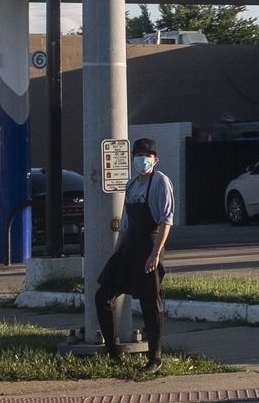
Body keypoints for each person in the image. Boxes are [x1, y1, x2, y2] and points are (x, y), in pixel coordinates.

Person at [95, 137, 174, 373]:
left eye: (147, 156)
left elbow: (166, 220)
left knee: (151, 303)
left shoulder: (161, 182)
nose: (142, 160)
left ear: (156, 160)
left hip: (150, 244)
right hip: (129, 247)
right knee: (102, 296)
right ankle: (113, 351)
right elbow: (125, 224)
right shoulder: (131, 185)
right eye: (138, 156)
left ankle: (155, 358)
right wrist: (116, 255)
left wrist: (155, 253)